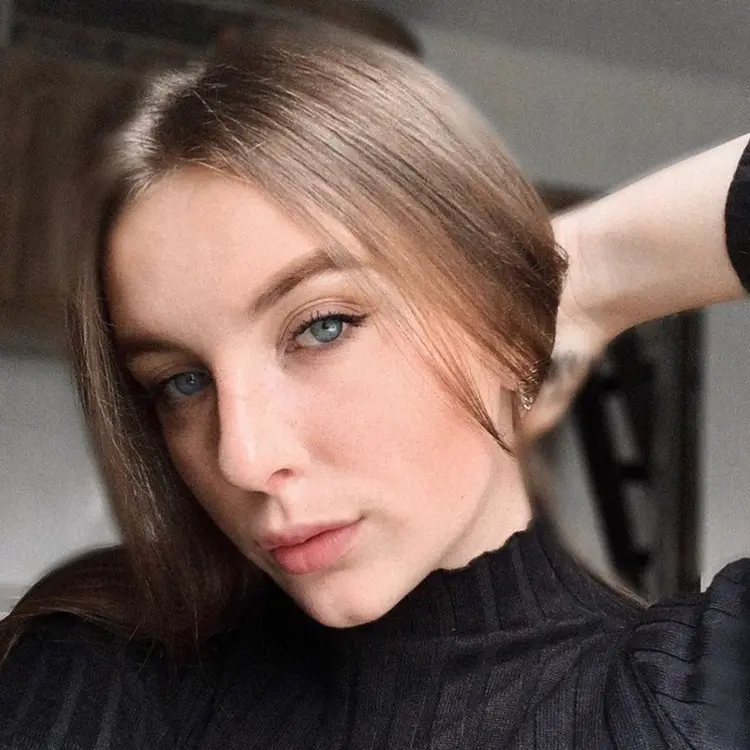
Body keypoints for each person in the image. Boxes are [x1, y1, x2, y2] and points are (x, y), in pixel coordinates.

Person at [0, 22, 748, 749]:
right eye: (183, 381)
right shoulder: (109, 663)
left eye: (322, 326)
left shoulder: (683, 708)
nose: (243, 459)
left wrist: (577, 269)